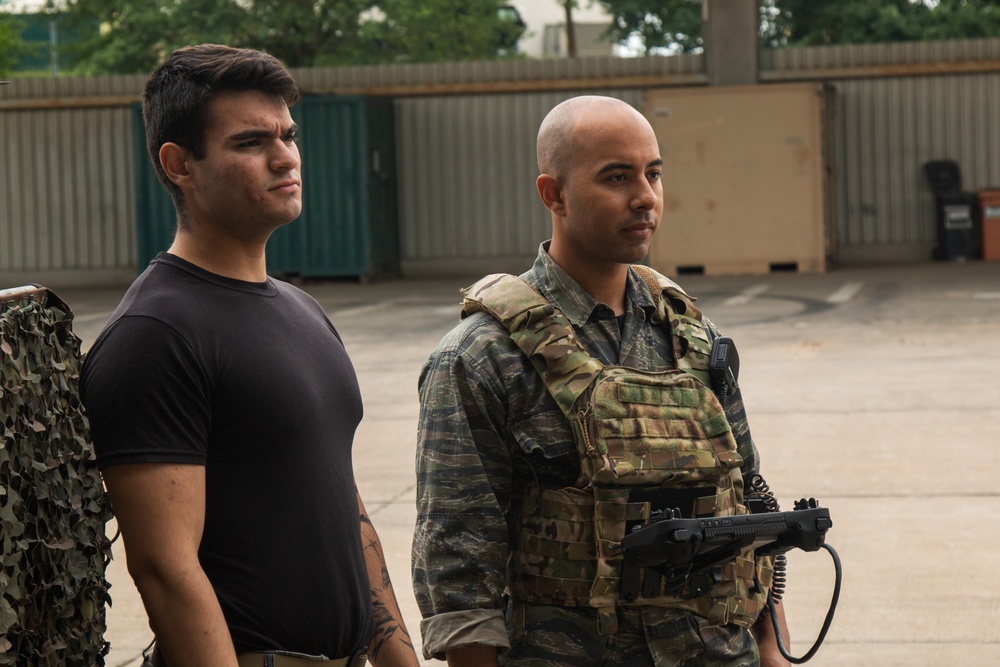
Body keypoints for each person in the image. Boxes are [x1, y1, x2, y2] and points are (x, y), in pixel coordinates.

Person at [412, 95, 792, 667]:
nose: (645, 197)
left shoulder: (692, 336)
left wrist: (772, 649)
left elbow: (747, 500)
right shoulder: (483, 357)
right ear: (553, 194)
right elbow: (458, 567)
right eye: (617, 177)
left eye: (653, 174)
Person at [81, 44, 419, 667]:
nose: (285, 156)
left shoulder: (301, 309)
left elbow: (343, 505)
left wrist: (399, 657)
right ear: (179, 164)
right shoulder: (154, 334)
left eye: (288, 135)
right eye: (250, 142)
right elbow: (164, 568)